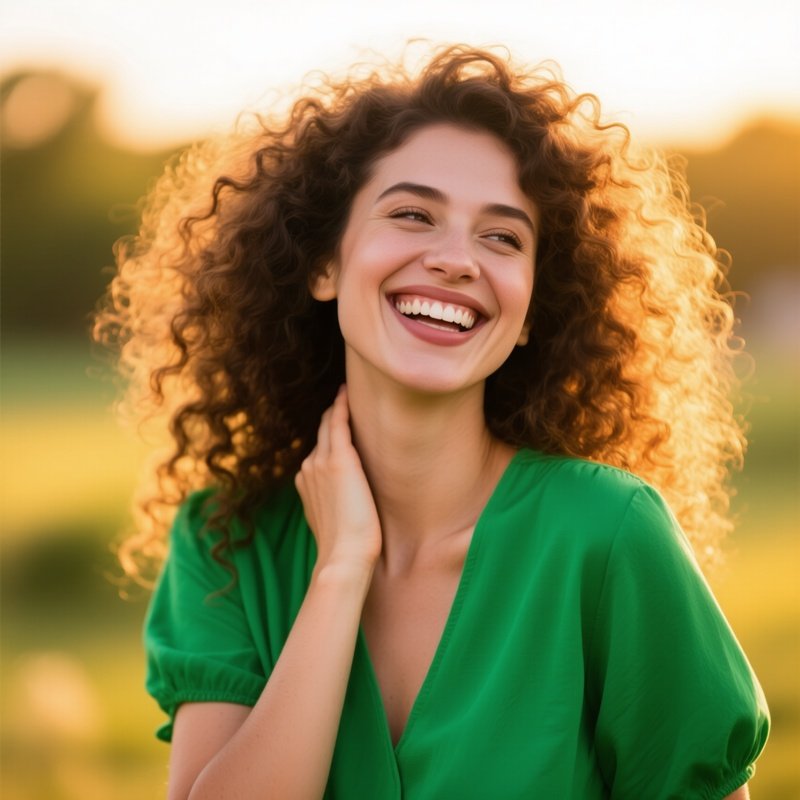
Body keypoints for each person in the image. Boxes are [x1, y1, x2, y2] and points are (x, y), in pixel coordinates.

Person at [94, 44, 769, 799]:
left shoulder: (608, 534)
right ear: (324, 265)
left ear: (526, 315)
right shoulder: (226, 545)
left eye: (502, 236)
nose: (455, 260)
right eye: (413, 215)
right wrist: (340, 569)